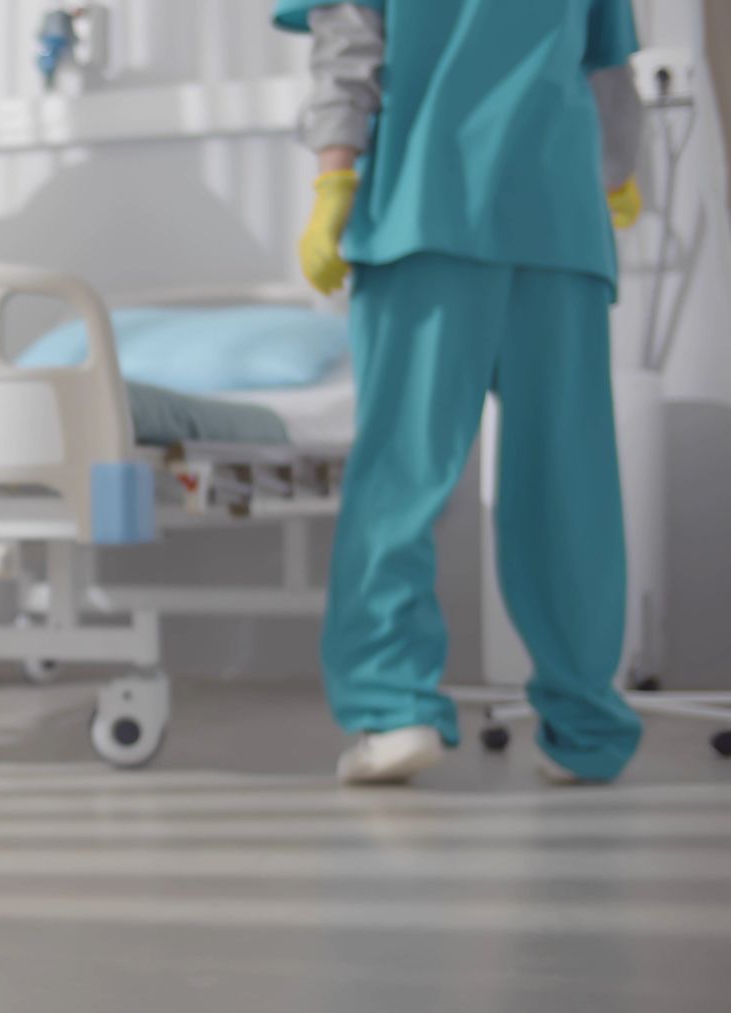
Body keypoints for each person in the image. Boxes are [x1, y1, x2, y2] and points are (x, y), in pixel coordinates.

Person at [275, 0, 646, 784]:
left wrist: (334, 177)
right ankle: (586, 725)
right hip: (561, 222)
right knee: (568, 488)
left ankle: (393, 709)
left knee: (401, 480)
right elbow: (609, 68)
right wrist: (615, 176)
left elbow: (350, 51)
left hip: (428, 208)